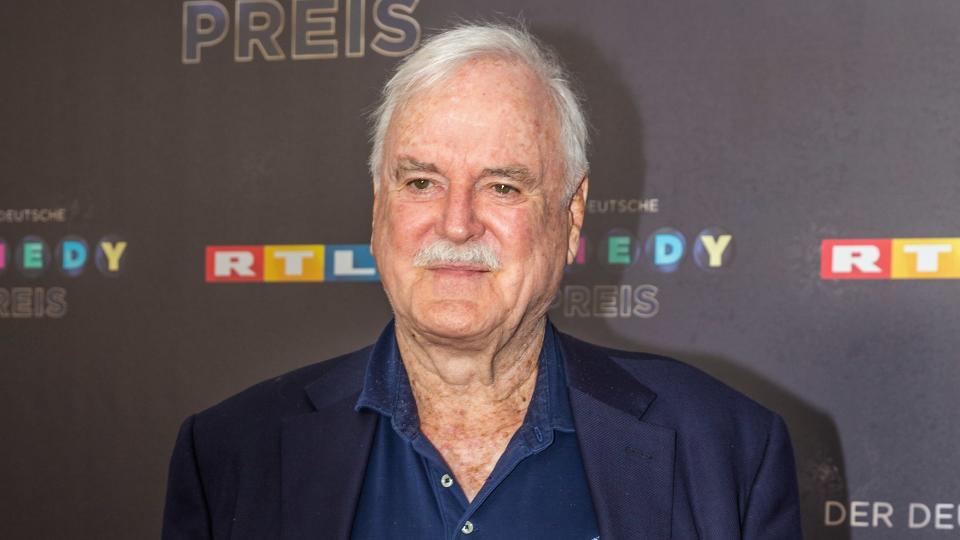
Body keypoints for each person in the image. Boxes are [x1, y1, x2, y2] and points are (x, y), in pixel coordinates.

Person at [163, 23, 802, 539]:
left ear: (571, 214)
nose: (458, 223)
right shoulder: (229, 454)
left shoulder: (727, 449)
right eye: (421, 182)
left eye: (502, 186)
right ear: (378, 205)